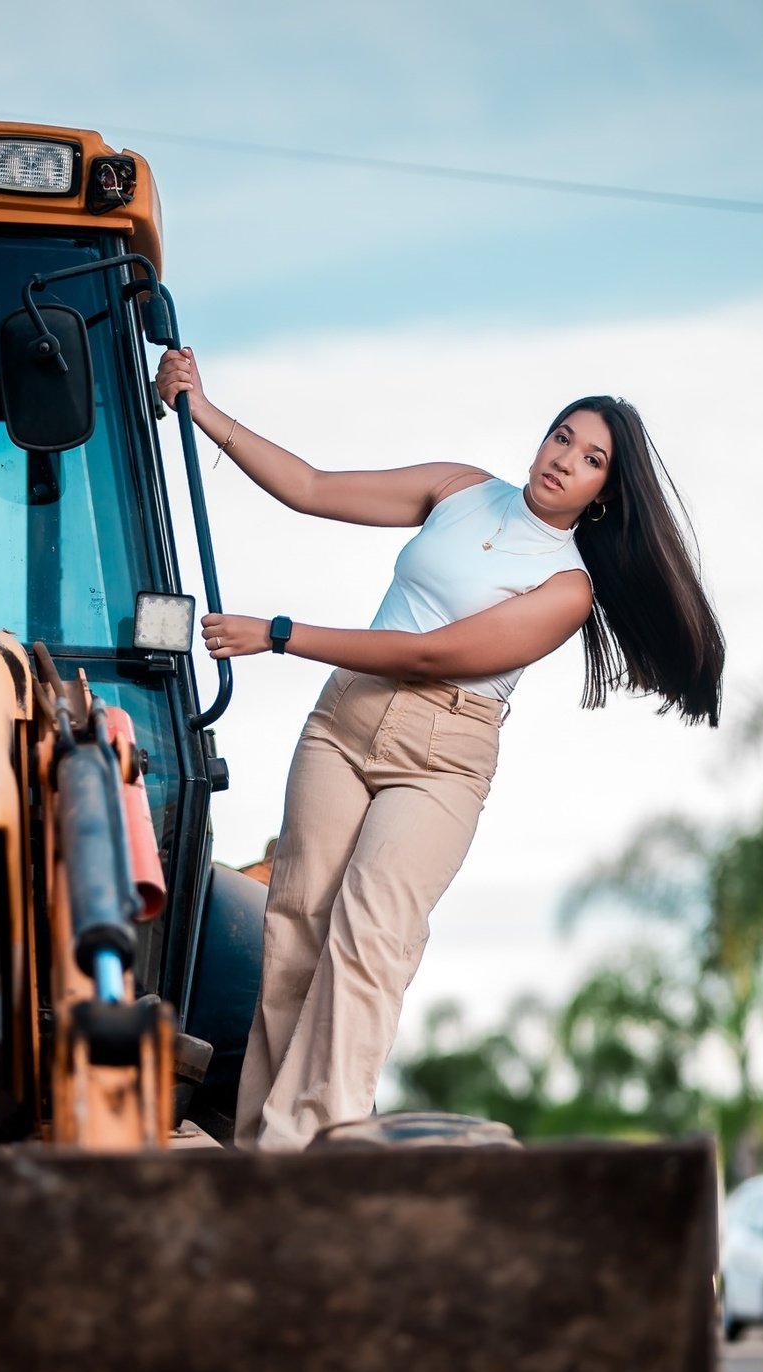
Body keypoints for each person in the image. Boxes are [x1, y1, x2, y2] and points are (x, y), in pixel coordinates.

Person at [156, 349, 725, 1152]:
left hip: (441, 755)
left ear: (604, 491)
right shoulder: (461, 488)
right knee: (294, 928)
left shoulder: (567, 589)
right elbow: (311, 486)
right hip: (343, 720)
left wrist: (280, 634)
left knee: (369, 938)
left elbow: (433, 654)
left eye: (592, 458)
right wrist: (202, 408)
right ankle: (257, 1149)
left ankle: (305, 1154)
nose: (565, 459)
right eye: (562, 437)